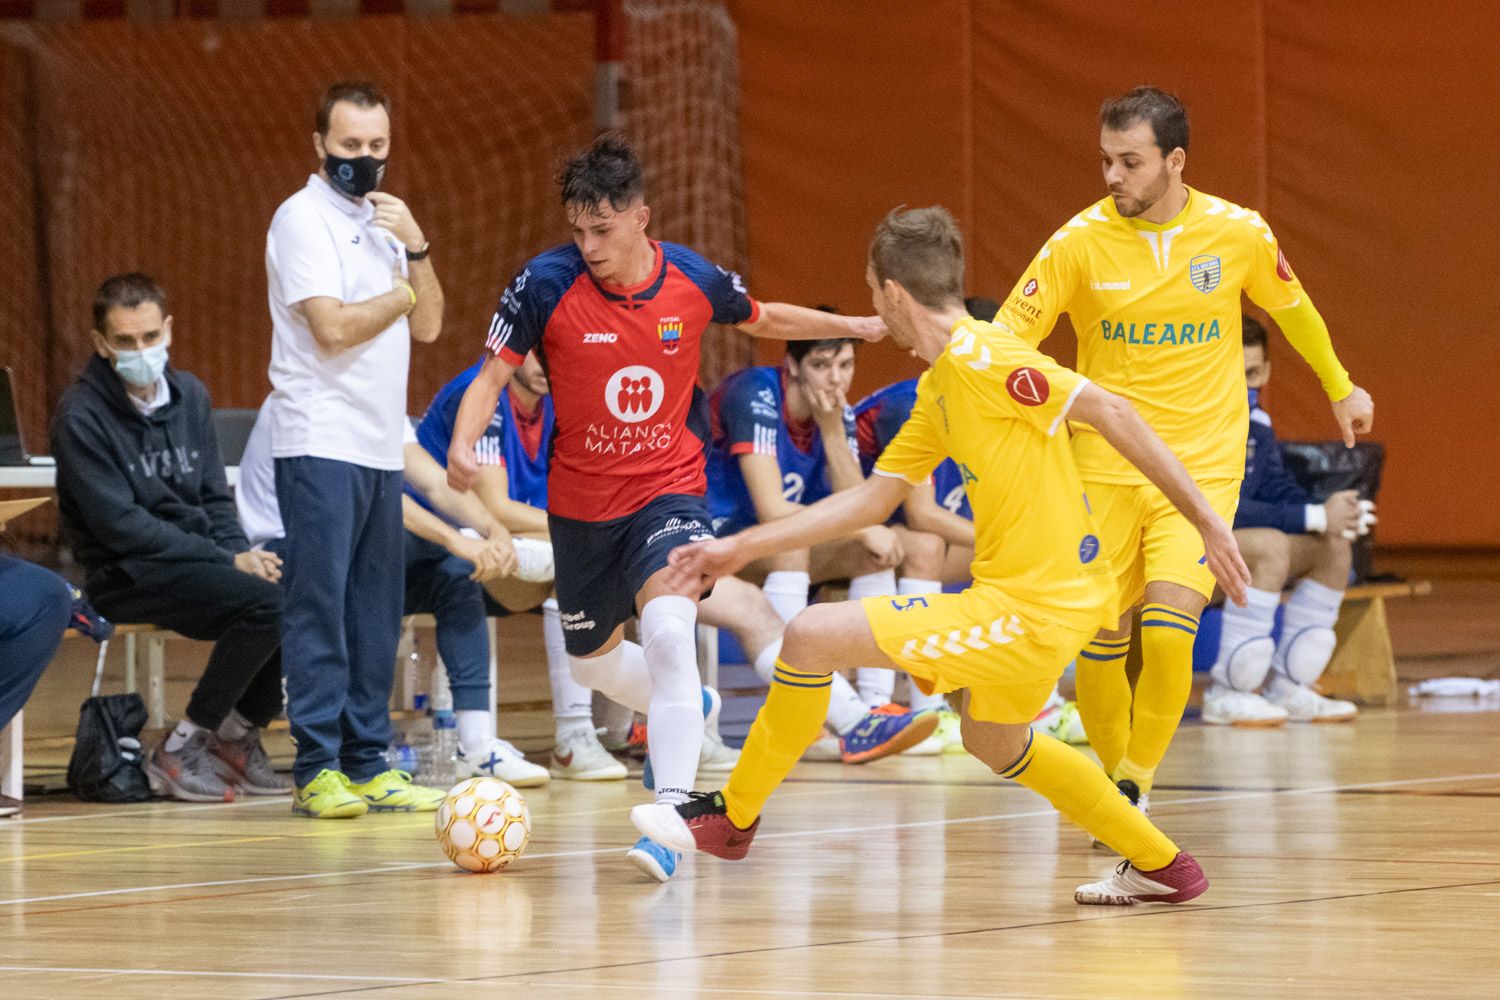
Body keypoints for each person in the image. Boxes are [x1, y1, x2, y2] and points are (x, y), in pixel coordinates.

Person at [631, 205, 1252, 906]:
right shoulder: (940, 385)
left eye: (873, 293)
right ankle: (1163, 865)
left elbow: (1113, 413)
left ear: (894, 294)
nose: (874, 309)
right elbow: (871, 501)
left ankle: (733, 818)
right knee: (996, 740)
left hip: (1037, 608)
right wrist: (740, 545)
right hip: (1030, 599)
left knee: (809, 635)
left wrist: (1207, 521)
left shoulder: (990, 358)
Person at [445, 134, 885, 881]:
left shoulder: (689, 277)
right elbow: (492, 377)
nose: (588, 246)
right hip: (583, 508)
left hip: (668, 493)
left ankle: (672, 818)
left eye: (604, 230)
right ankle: (689, 704)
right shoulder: (544, 284)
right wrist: (462, 444)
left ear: (640, 217)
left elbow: (764, 317)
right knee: (591, 666)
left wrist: (855, 326)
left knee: (671, 633)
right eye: (577, 231)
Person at [990, 86, 1374, 812]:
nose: (1111, 176)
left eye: (1129, 162)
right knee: (1103, 634)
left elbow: (1294, 310)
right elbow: (1008, 343)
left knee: (1169, 630)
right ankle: (1112, 793)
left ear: (1175, 161)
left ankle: (1133, 783)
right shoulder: (1076, 243)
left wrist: (1340, 385)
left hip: (1200, 469)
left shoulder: (1238, 234)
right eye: (1105, 160)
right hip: (1102, 465)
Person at [265, 81, 446, 818]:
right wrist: (401, 294)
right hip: (319, 439)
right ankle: (316, 766)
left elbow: (431, 325)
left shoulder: (384, 226)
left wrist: (419, 249)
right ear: (319, 146)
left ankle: (369, 761)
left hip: (376, 447)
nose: (364, 160)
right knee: (321, 607)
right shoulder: (300, 219)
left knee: (377, 611)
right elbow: (333, 329)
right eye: (349, 147)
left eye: (376, 147)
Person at [51, 273, 287, 803]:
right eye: (126, 342)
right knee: (269, 603)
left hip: (197, 560)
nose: (142, 351)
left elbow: (214, 499)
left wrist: (242, 552)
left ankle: (236, 738)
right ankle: (182, 747)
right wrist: (227, 558)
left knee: (303, 581)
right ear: (100, 344)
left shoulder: (191, 395)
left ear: (169, 330)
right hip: (127, 572)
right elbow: (125, 529)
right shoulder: (81, 416)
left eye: (150, 337)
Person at [236, 398, 553, 788]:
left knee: (456, 574)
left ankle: (476, 743)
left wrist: (493, 530)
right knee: (431, 553)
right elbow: (383, 501)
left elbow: (434, 482)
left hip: (356, 549)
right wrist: (457, 538)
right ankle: (325, 764)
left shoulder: (375, 395)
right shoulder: (306, 399)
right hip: (285, 551)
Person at [707, 339, 949, 759]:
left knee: (892, 548)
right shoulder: (756, 393)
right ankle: (808, 717)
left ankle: (877, 706)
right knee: (797, 546)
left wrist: (834, 430)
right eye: (821, 364)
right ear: (793, 366)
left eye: (845, 364)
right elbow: (771, 508)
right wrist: (860, 530)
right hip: (719, 537)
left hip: (773, 543)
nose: (835, 378)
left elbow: (860, 507)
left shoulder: (840, 414)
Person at [1204, 318, 1368, 724]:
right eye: (1232, 374)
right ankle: (1229, 692)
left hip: (1226, 550)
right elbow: (1219, 507)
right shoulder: (1193, 424)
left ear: (1267, 371)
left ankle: (1290, 686)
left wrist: (1330, 515)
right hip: (1177, 551)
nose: (1245, 386)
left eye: (1252, 374)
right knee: (1270, 547)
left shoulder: (1258, 422)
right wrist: (1312, 515)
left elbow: (1276, 487)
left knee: (1332, 546)